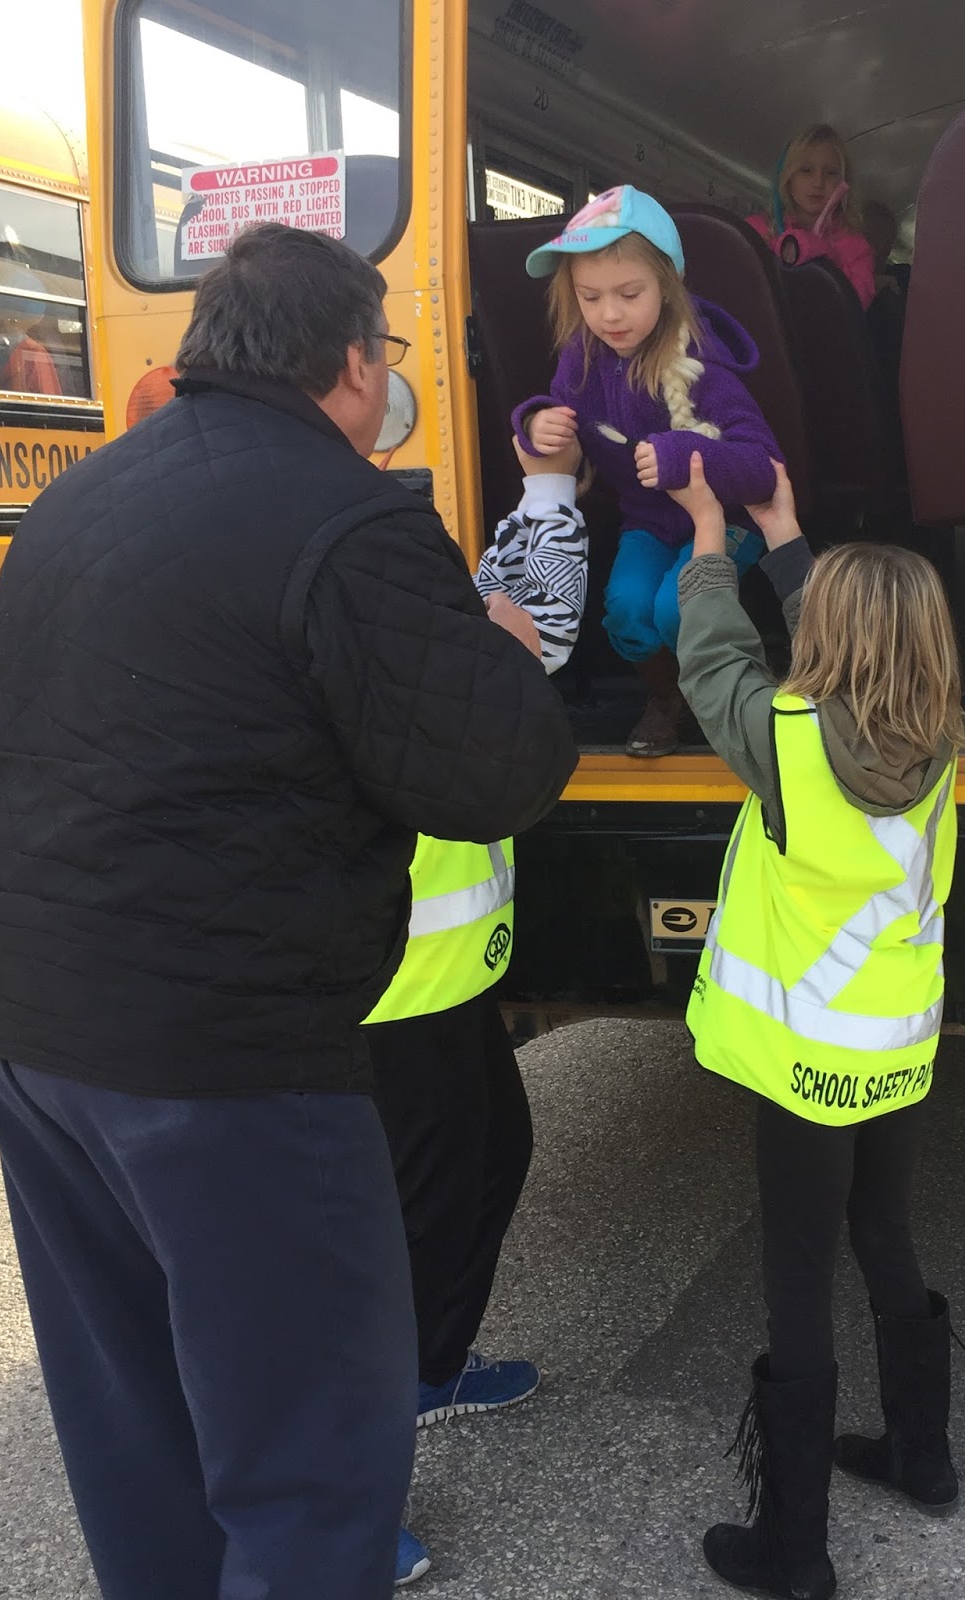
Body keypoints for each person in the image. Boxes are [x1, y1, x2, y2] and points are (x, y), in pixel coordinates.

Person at [0, 222, 578, 1600]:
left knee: (142, 1427)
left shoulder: (80, 499)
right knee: (309, 1450)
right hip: (219, 1053)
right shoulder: (349, 512)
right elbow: (495, 774)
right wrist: (503, 655)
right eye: (388, 356)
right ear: (352, 362)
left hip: (20, 1025)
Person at [670, 453, 965, 1600]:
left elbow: (713, 658)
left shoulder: (785, 745)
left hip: (803, 1066)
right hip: (895, 1046)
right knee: (883, 1237)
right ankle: (921, 1456)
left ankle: (793, 1550)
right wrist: (786, 535)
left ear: (826, 646)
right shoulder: (937, 741)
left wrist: (709, 544)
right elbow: (846, 642)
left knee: (797, 1272)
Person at [364, 430, 588, 1431]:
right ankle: (396, 1391)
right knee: (426, 1198)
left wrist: (545, 481)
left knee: (493, 1154)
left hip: (443, 976)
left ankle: (431, 1363)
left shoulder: (420, 619)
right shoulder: (421, 658)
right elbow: (535, 608)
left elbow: (505, 577)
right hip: (399, 984)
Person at [512, 184, 781, 758]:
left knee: (672, 607)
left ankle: (726, 698)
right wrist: (536, 425)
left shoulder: (706, 366)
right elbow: (566, 427)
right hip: (649, 523)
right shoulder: (581, 363)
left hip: (729, 521)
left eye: (629, 293)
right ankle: (668, 698)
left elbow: (764, 467)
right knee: (629, 611)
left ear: (667, 284)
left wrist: (685, 456)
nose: (609, 314)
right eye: (589, 298)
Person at [748, 125, 877, 309]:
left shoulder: (857, 249)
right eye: (806, 170)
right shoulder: (756, 231)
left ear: (843, 182)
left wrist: (823, 254)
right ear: (787, 177)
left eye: (830, 173)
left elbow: (852, 306)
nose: (818, 182)